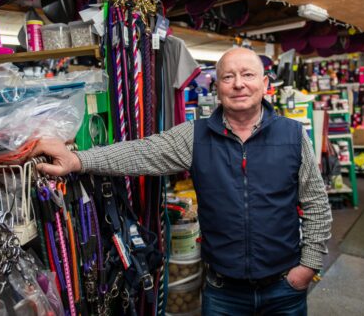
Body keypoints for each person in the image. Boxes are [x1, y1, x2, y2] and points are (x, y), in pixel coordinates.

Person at [31, 47, 332, 315]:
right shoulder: (195, 136)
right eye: (228, 77)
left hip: (283, 287)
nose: (238, 84)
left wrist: (307, 268)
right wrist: (78, 160)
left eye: (248, 75)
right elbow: (141, 152)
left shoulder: (292, 135)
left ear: (265, 85)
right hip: (223, 291)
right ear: (217, 88)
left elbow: (317, 204)